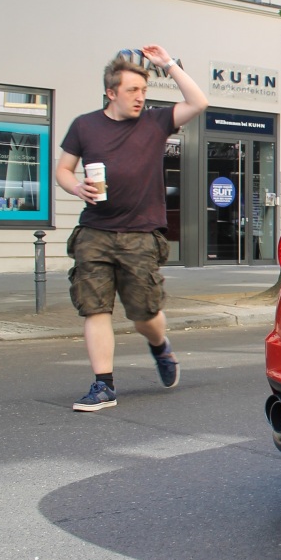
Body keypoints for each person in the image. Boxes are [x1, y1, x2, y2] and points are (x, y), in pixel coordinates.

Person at [55, 45, 209, 411]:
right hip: (95, 232)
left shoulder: (156, 122)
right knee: (95, 308)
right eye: (132, 91)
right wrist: (75, 186)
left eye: (143, 91)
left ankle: (160, 347)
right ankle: (103, 385)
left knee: (144, 316)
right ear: (111, 93)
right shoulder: (84, 125)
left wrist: (168, 65)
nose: (140, 98)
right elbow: (63, 169)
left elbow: (198, 102)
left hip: (141, 233)